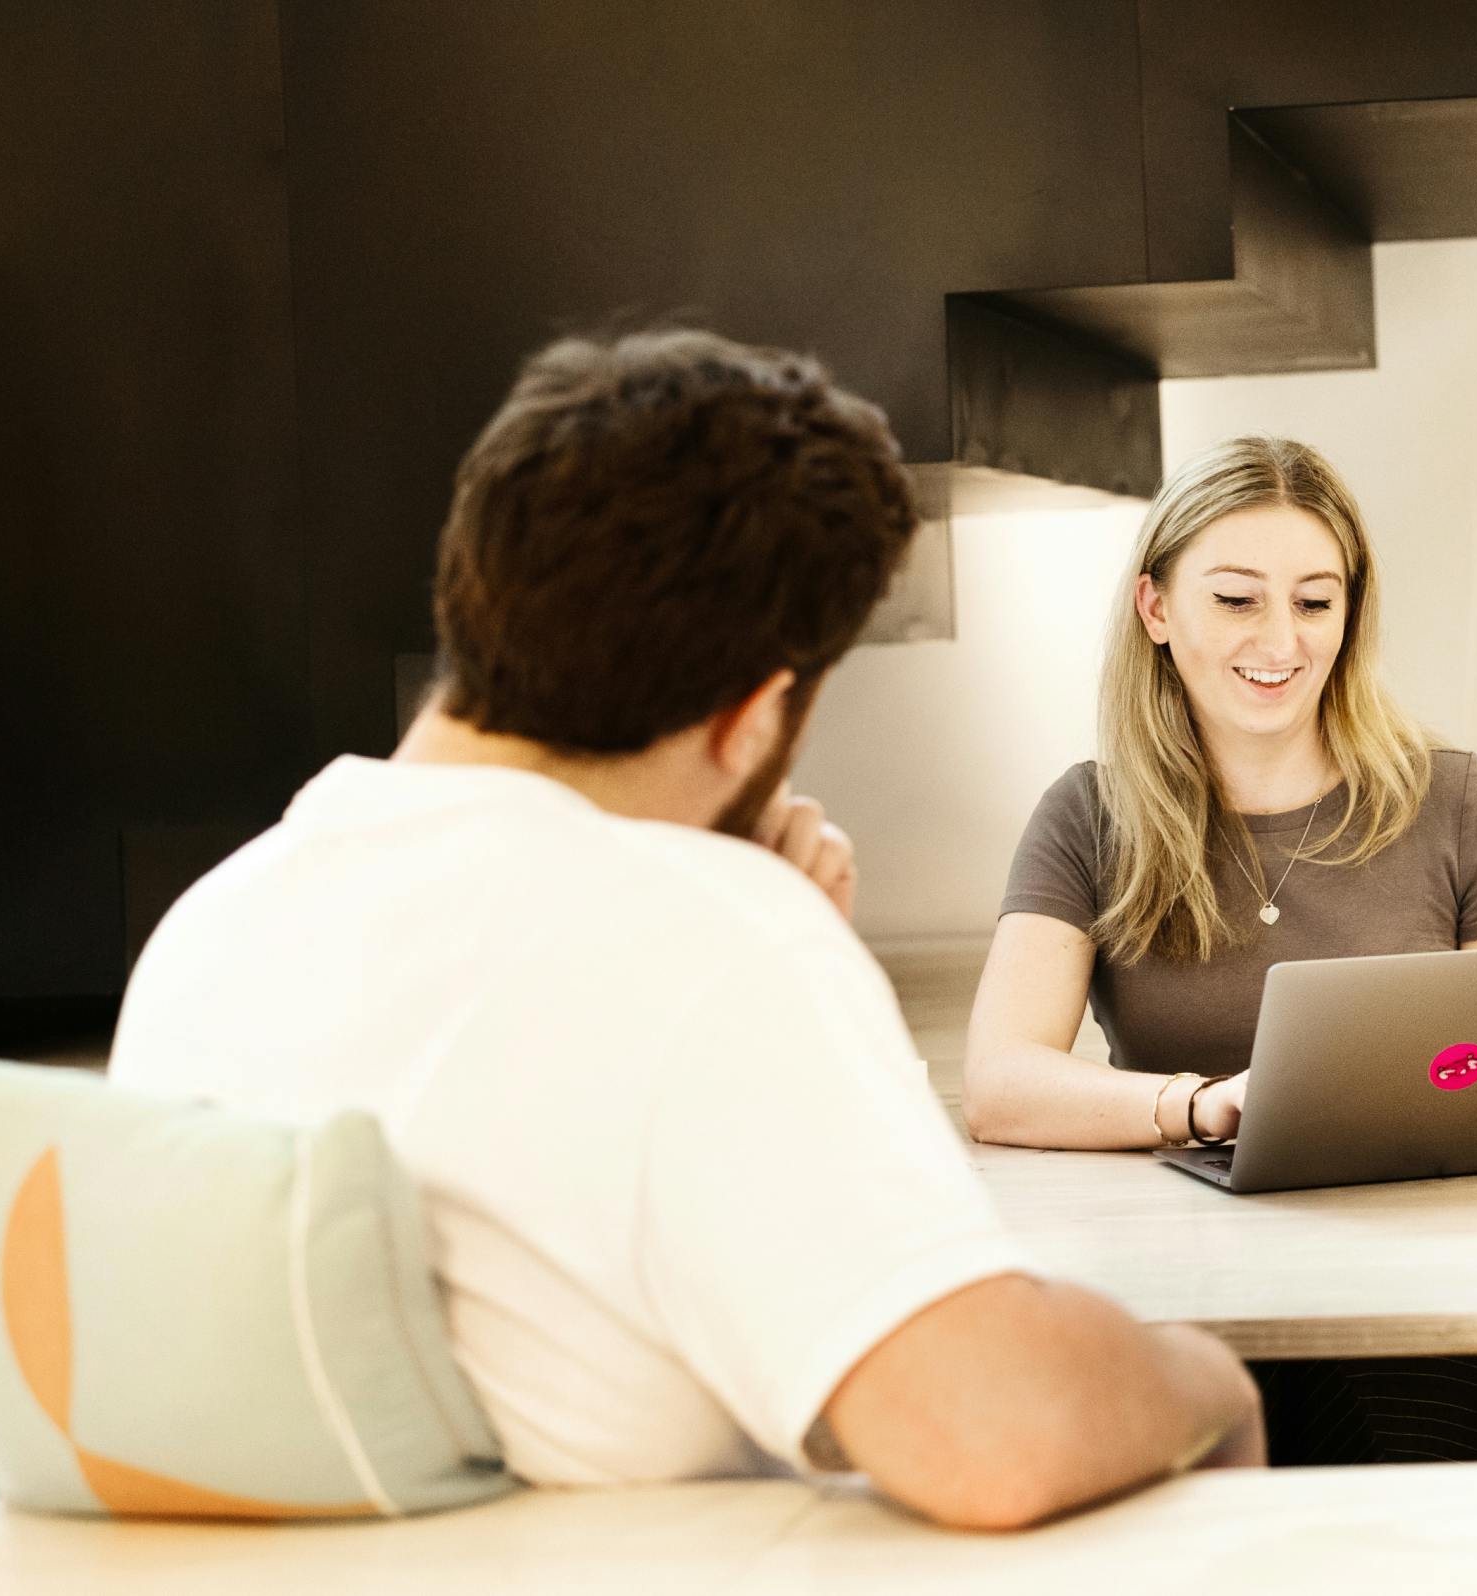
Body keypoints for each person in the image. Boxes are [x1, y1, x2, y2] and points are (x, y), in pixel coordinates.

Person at [110, 330, 1262, 1526]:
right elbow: (991, 1438)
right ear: (753, 718)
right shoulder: (711, 940)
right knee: (1194, 1407)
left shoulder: (217, 922)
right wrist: (1209, 1381)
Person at [965, 435, 1477, 1464]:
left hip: (1430, 1305)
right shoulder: (1089, 817)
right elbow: (999, 1082)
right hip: (1187, 1297)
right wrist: (1198, 1106)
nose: (1280, 638)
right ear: (1157, 610)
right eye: (1237, 599)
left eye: (1315, 600)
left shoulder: (1454, 799)